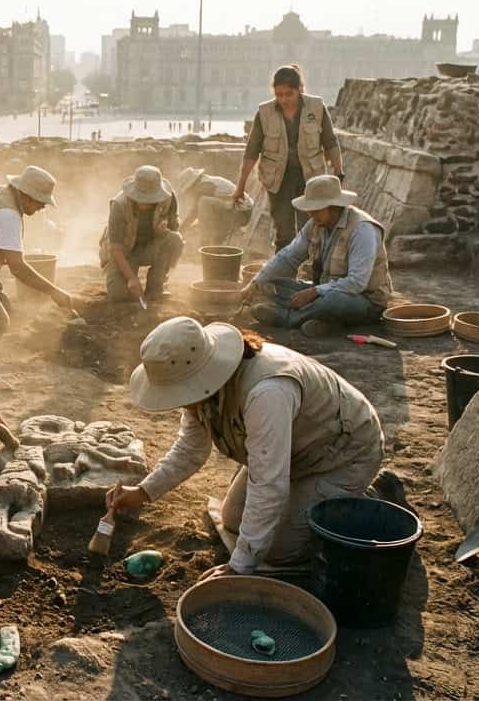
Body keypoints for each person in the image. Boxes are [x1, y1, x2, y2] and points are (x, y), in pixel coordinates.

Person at [107, 317, 384, 578]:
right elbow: (190, 449)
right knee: (232, 520)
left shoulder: (267, 393)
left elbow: (268, 485)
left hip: (343, 455)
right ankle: (312, 499)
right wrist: (143, 491)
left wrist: (238, 567)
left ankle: (368, 496)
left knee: (278, 551)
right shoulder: (204, 389)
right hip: (292, 454)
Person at [240, 175, 393, 336]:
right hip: (325, 290)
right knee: (269, 284)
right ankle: (324, 321)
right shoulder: (315, 224)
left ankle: (289, 318)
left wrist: (314, 292)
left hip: (364, 300)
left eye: (316, 209)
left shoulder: (363, 230)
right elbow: (288, 256)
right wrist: (255, 283)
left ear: (333, 206)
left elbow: (357, 283)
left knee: (332, 301)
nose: (311, 214)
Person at [0, 166, 77, 333]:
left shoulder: (1, 193)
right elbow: (17, 267)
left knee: (6, 310)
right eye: (40, 201)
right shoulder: (7, 214)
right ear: (26, 195)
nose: (42, 207)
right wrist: (54, 292)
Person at [233, 64, 344, 250]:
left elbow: (331, 143)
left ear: (299, 89)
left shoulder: (316, 108)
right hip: (278, 181)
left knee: (310, 229)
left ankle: (310, 265)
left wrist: (339, 174)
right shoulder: (264, 113)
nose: (283, 99)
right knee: (283, 232)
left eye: (288, 94)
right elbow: (251, 152)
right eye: (279, 94)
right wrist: (240, 186)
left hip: (310, 179)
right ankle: (283, 265)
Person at [100, 165, 184, 303]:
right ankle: (127, 282)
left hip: (151, 247)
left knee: (174, 240)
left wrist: (163, 230)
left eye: (151, 199)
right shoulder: (119, 205)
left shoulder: (168, 198)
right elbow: (116, 249)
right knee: (119, 294)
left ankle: (156, 286)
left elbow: (174, 227)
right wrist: (132, 278)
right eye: (142, 199)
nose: (146, 203)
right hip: (125, 252)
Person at [175, 167, 251, 249]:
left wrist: (179, 232)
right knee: (201, 214)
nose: (190, 193)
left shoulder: (205, 185)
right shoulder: (206, 182)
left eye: (189, 190)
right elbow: (195, 213)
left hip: (242, 214)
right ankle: (213, 243)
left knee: (204, 203)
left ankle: (207, 244)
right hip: (237, 212)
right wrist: (180, 231)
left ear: (193, 184)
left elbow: (195, 212)